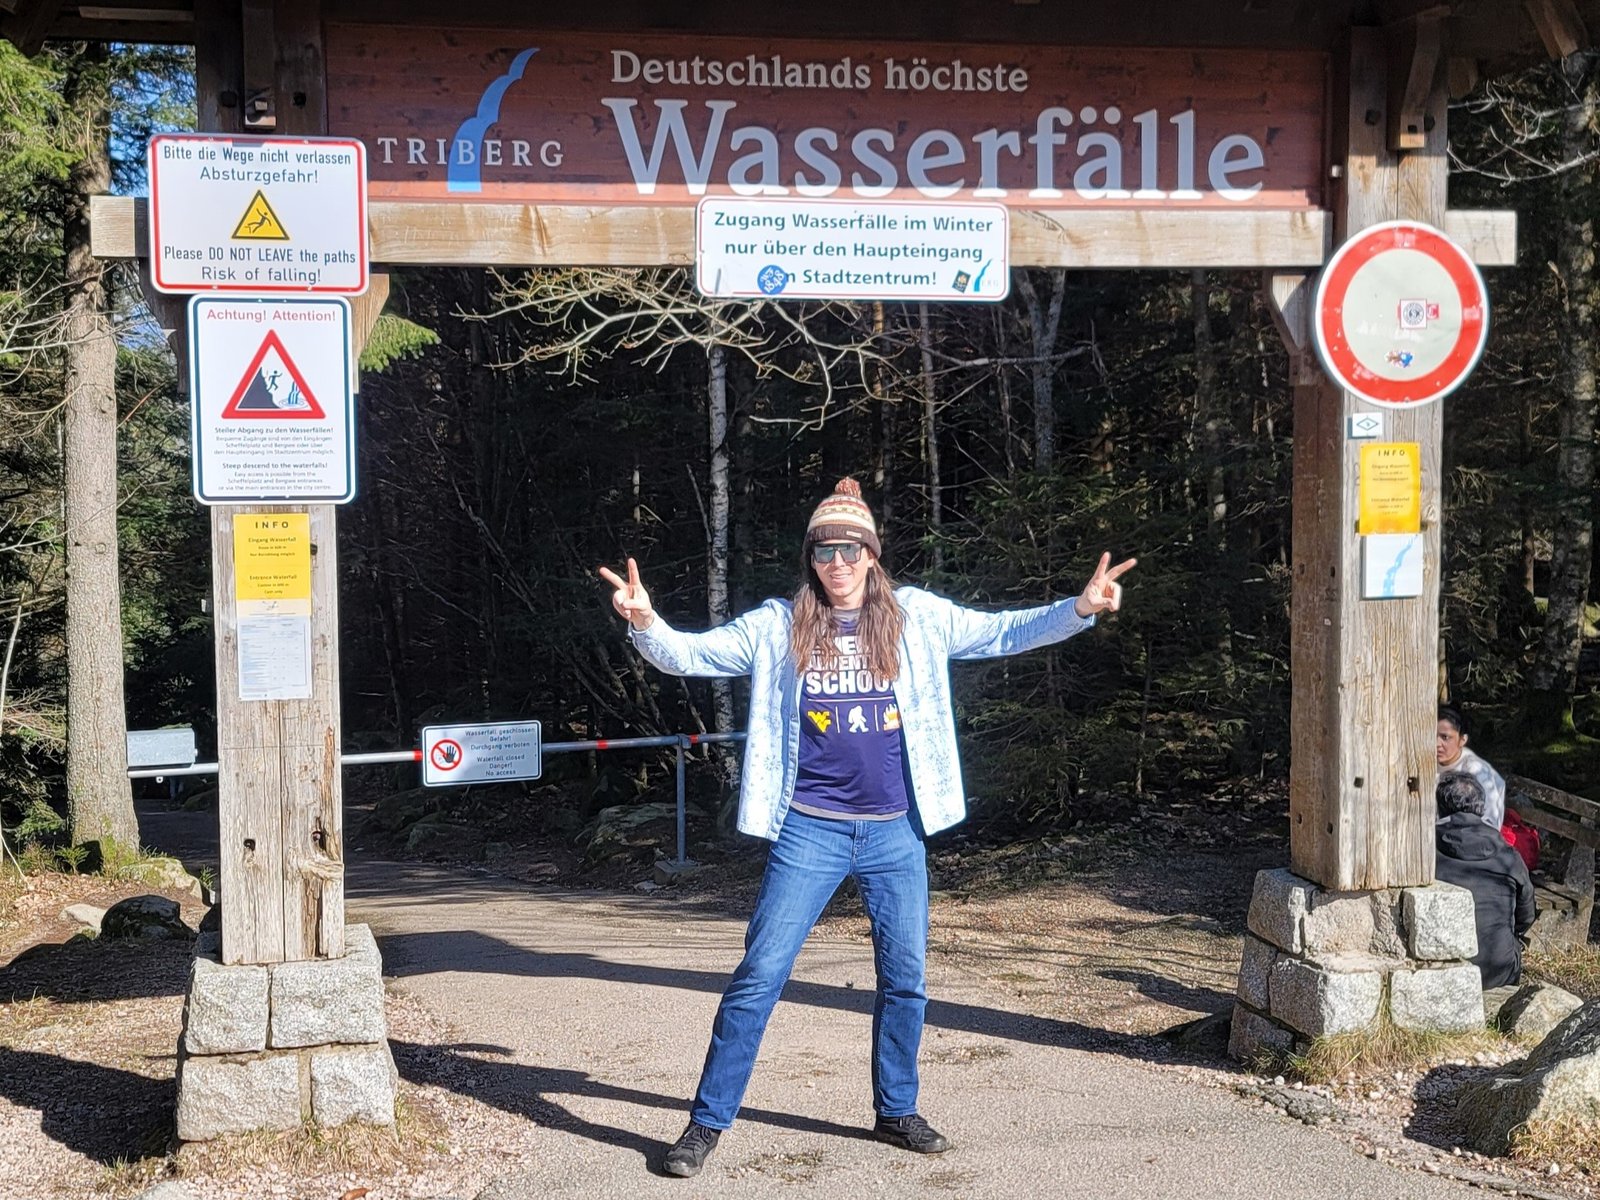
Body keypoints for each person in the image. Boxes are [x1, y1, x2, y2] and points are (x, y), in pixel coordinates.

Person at [598, 478, 1134, 1178]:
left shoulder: (917, 618)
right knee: (759, 975)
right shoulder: (777, 623)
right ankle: (706, 1123)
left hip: (895, 832)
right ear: (811, 559)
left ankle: (896, 1109)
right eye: (824, 550)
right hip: (809, 832)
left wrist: (1079, 609)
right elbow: (693, 655)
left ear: (873, 554)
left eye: (851, 548)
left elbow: (1001, 631)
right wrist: (646, 623)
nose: (838, 561)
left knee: (906, 980)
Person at [1434, 773, 1536, 990]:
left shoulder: (1425, 852)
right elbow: (1526, 917)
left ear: (1440, 807)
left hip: (1439, 968)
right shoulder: (1509, 856)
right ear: (1481, 808)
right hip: (1497, 970)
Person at [1437, 705, 1506, 830]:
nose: (1437, 744)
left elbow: (1491, 821)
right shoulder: (1428, 763)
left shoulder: (1476, 771)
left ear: (1462, 740)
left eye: (1445, 737)